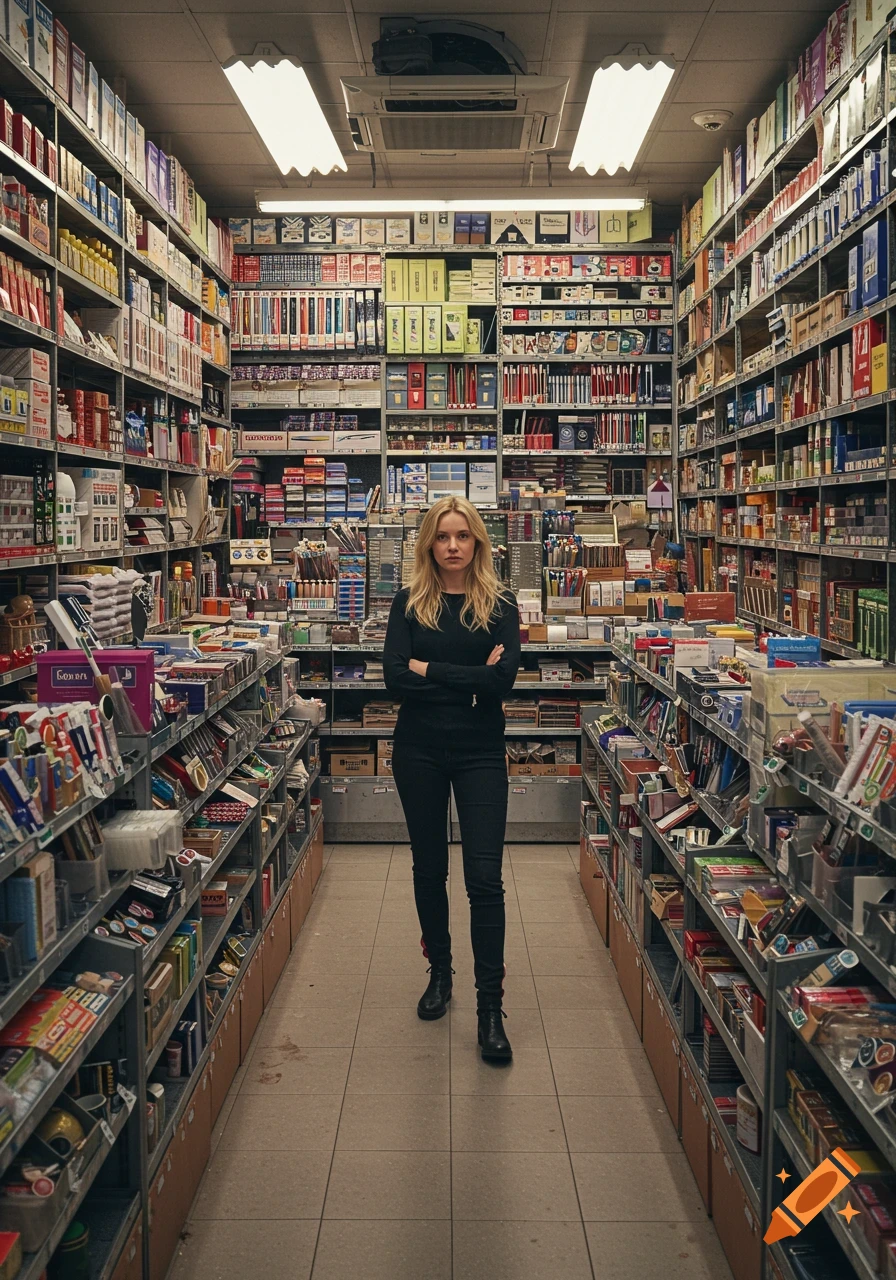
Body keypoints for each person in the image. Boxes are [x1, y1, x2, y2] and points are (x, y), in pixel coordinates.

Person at [383, 495, 521, 1062]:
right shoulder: (409, 603)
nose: (453, 546)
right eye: (442, 536)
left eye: (463, 536)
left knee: (484, 879)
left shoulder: (500, 604)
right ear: (429, 545)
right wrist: (469, 679)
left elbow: (503, 681)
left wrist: (429, 670)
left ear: (478, 542)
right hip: (418, 750)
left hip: (480, 752)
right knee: (430, 869)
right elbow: (394, 678)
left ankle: (490, 1008)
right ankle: (440, 972)